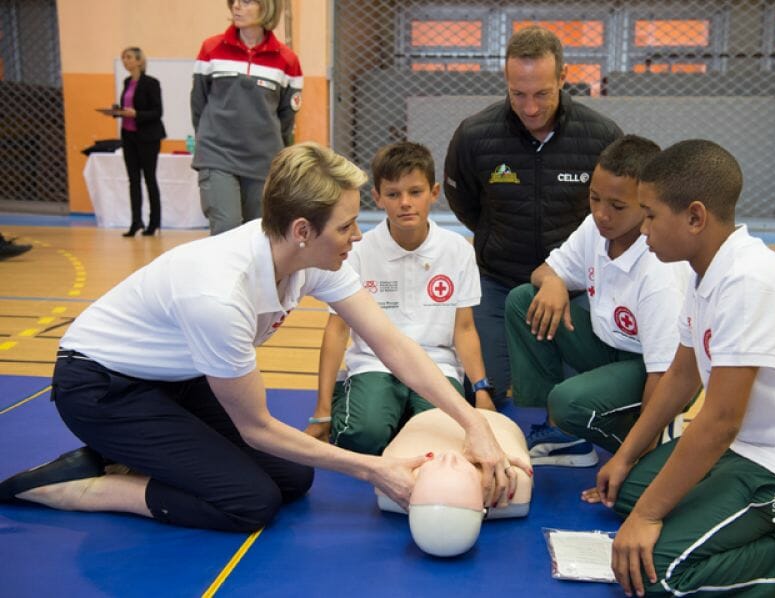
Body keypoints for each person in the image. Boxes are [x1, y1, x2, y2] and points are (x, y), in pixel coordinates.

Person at [0, 142, 528, 533]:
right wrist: (375, 469)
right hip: (103, 388)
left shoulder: (309, 256)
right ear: (303, 230)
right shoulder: (218, 295)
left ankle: (133, 452)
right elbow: (256, 428)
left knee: (294, 481)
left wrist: (472, 423)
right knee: (249, 503)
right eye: (346, 225)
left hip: (174, 378)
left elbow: (392, 344)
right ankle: (88, 487)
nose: (359, 235)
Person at [582, 140, 775, 597]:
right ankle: (758, 530)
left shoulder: (749, 282)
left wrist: (648, 517)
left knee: (655, 571)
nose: (643, 230)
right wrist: (626, 456)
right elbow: (682, 377)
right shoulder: (704, 270)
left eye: (650, 214)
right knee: (628, 492)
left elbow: (721, 421)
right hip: (752, 448)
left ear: (695, 217)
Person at [444, 25, 622, 407]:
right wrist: (496, 236)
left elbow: (616, 217)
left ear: (563, 77)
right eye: (517, 94)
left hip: (575, 285)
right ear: (506, 81)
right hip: (498, 281)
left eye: (542, 93)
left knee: (573, 397)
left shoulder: (602, 137)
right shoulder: (474, 135)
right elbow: (465, 203)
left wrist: (566, 271)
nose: (530, 108)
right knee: (487, 390)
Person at [506, 136, 688, 467]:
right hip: (609, 348)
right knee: (524, 301)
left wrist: (633, 458)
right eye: (594, 198)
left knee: (568, 401)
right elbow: (543, 272)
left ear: (648, 202)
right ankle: (564, 433)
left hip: (654, 371)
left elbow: (666, 375)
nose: (602, 214)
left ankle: (655, 447)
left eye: (617, 206)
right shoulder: (595, 228)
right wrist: (553, 283)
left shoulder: (659, 270)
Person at [308, 142, 495, 455]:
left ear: (434, 192)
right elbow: (337, 329)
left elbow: (464, 330)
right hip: (374, 363)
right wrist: (322, 410)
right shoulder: (357, 250)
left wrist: (481, 391)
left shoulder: (458, 249)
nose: (405, 203)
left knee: (443, 443)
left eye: (415, 192)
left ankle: (404, 411)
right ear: (377, 198)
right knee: (360, 438)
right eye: (393, 194)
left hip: (436, 364)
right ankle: (358, 398)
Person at [191, 0, 303, 235]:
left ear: (267, 7)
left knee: (257, 234)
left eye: (247, 2)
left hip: (263, 160)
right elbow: (198, 104)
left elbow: (286, 118)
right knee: (226, 226)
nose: (236, 8)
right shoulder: (211, 49)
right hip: (217, 155)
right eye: (235, 2)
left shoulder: (288, 60)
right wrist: (206, 140)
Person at [378, 409, 533, 557]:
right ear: (482, 510)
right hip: (493, 420)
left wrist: (372, 468)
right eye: (463, 470)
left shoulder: (396, 475)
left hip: (425, 417)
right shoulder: (510, 479)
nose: (450, 455)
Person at [110, 47, 166, 237]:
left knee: (149, 179)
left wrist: (137, 114)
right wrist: (118, 112)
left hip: (148, 137)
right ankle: (136, 222)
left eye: (129, 57)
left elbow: (157, 112)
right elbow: (127, 106)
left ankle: (154, 222)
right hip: (129, 136)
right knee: (133, 180)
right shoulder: (127, 82)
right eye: (123, 57)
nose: (125, 61)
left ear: (140, 61)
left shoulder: (151, 83)